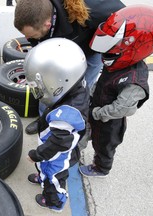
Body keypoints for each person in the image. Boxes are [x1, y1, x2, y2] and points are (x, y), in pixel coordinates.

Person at [14, 0, 125, 135]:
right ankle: (45, 120)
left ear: (47, 24)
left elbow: (125, 18)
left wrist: (107, 46)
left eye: (30, 36)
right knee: (44, 86)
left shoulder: (95, 10)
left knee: (80, 90)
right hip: (56, 50)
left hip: (89, 53)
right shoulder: (34, 12)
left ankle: (71, 124)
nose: (26, 38)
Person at [79, 5, 153, 177]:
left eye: (113, 45)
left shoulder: (134, 80)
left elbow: (123, 108)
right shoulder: (117, 63)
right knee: (90, 133)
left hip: (110, 122)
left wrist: (98, 113)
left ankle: (101, 168)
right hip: (98, 108)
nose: (108, 51)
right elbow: (101, 81)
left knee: (105, 146)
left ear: (134, 44)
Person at [24, 38, 90, 212]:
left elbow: (58, 143)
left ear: (59, 80)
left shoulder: (67, 116)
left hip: (57, 156)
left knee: (53, 177)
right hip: (52, 147)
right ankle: (43, 176)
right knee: (45, 169)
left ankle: (55, 201)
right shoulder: (76, 89)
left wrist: (37, 154)